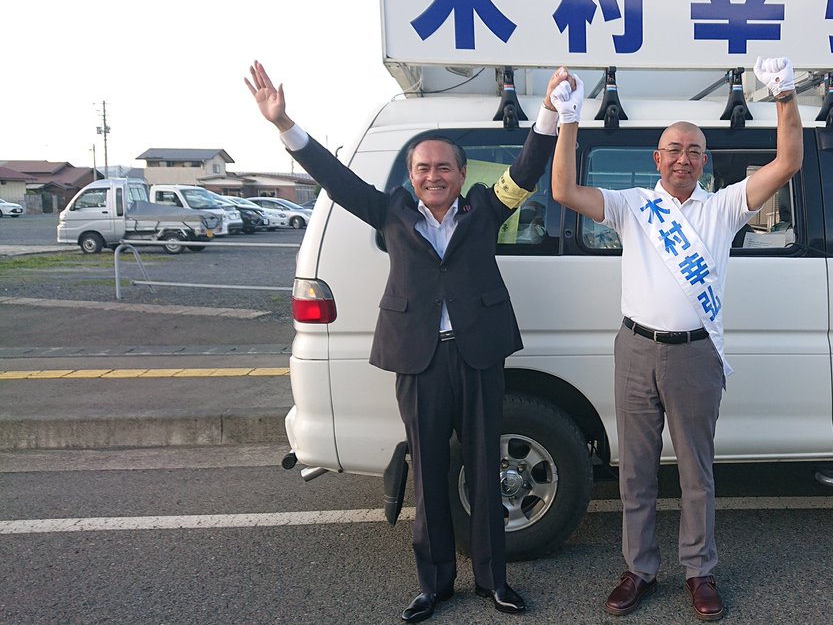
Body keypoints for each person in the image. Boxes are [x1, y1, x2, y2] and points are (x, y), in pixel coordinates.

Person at [245, 61, 573, 622]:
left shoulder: (487, 207)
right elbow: (335, 178)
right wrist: (283, 124)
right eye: (423, 168)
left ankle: (493, 581)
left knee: (484, 470)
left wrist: (547, 111)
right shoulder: (390, 210)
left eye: (443, 167)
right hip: (419, 361)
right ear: (412, 175)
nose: (432, 176)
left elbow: (528, 166)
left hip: (477, 356)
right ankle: (435, 584)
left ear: (462, 174)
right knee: (429, 473)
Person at [549, 58, 804, 621]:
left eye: (693, 151)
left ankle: (699, 571)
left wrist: (785, 97)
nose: (683, 158)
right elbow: (563, 190)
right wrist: (567, 119)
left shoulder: (723, 207)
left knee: (696, 471)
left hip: (695, 353)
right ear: (657, 159)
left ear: (704, 161)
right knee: (636, 471)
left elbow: (788, 162)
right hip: (636, 350)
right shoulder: (633, 206)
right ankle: (638, 569)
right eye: (673, 150)